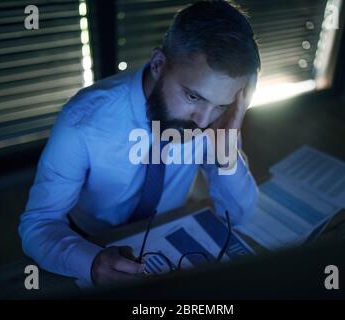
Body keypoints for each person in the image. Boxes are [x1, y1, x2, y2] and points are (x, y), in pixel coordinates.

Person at [18, 0, 260, 287]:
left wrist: (227, 154)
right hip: (90, 239)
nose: (203, 121)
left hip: (167, 234)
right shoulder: (81, 122)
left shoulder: (217, 120)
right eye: (193, 97)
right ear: (158, 64)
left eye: (220, 104)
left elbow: (241, 217)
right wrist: (91, 262)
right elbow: (39, 223)